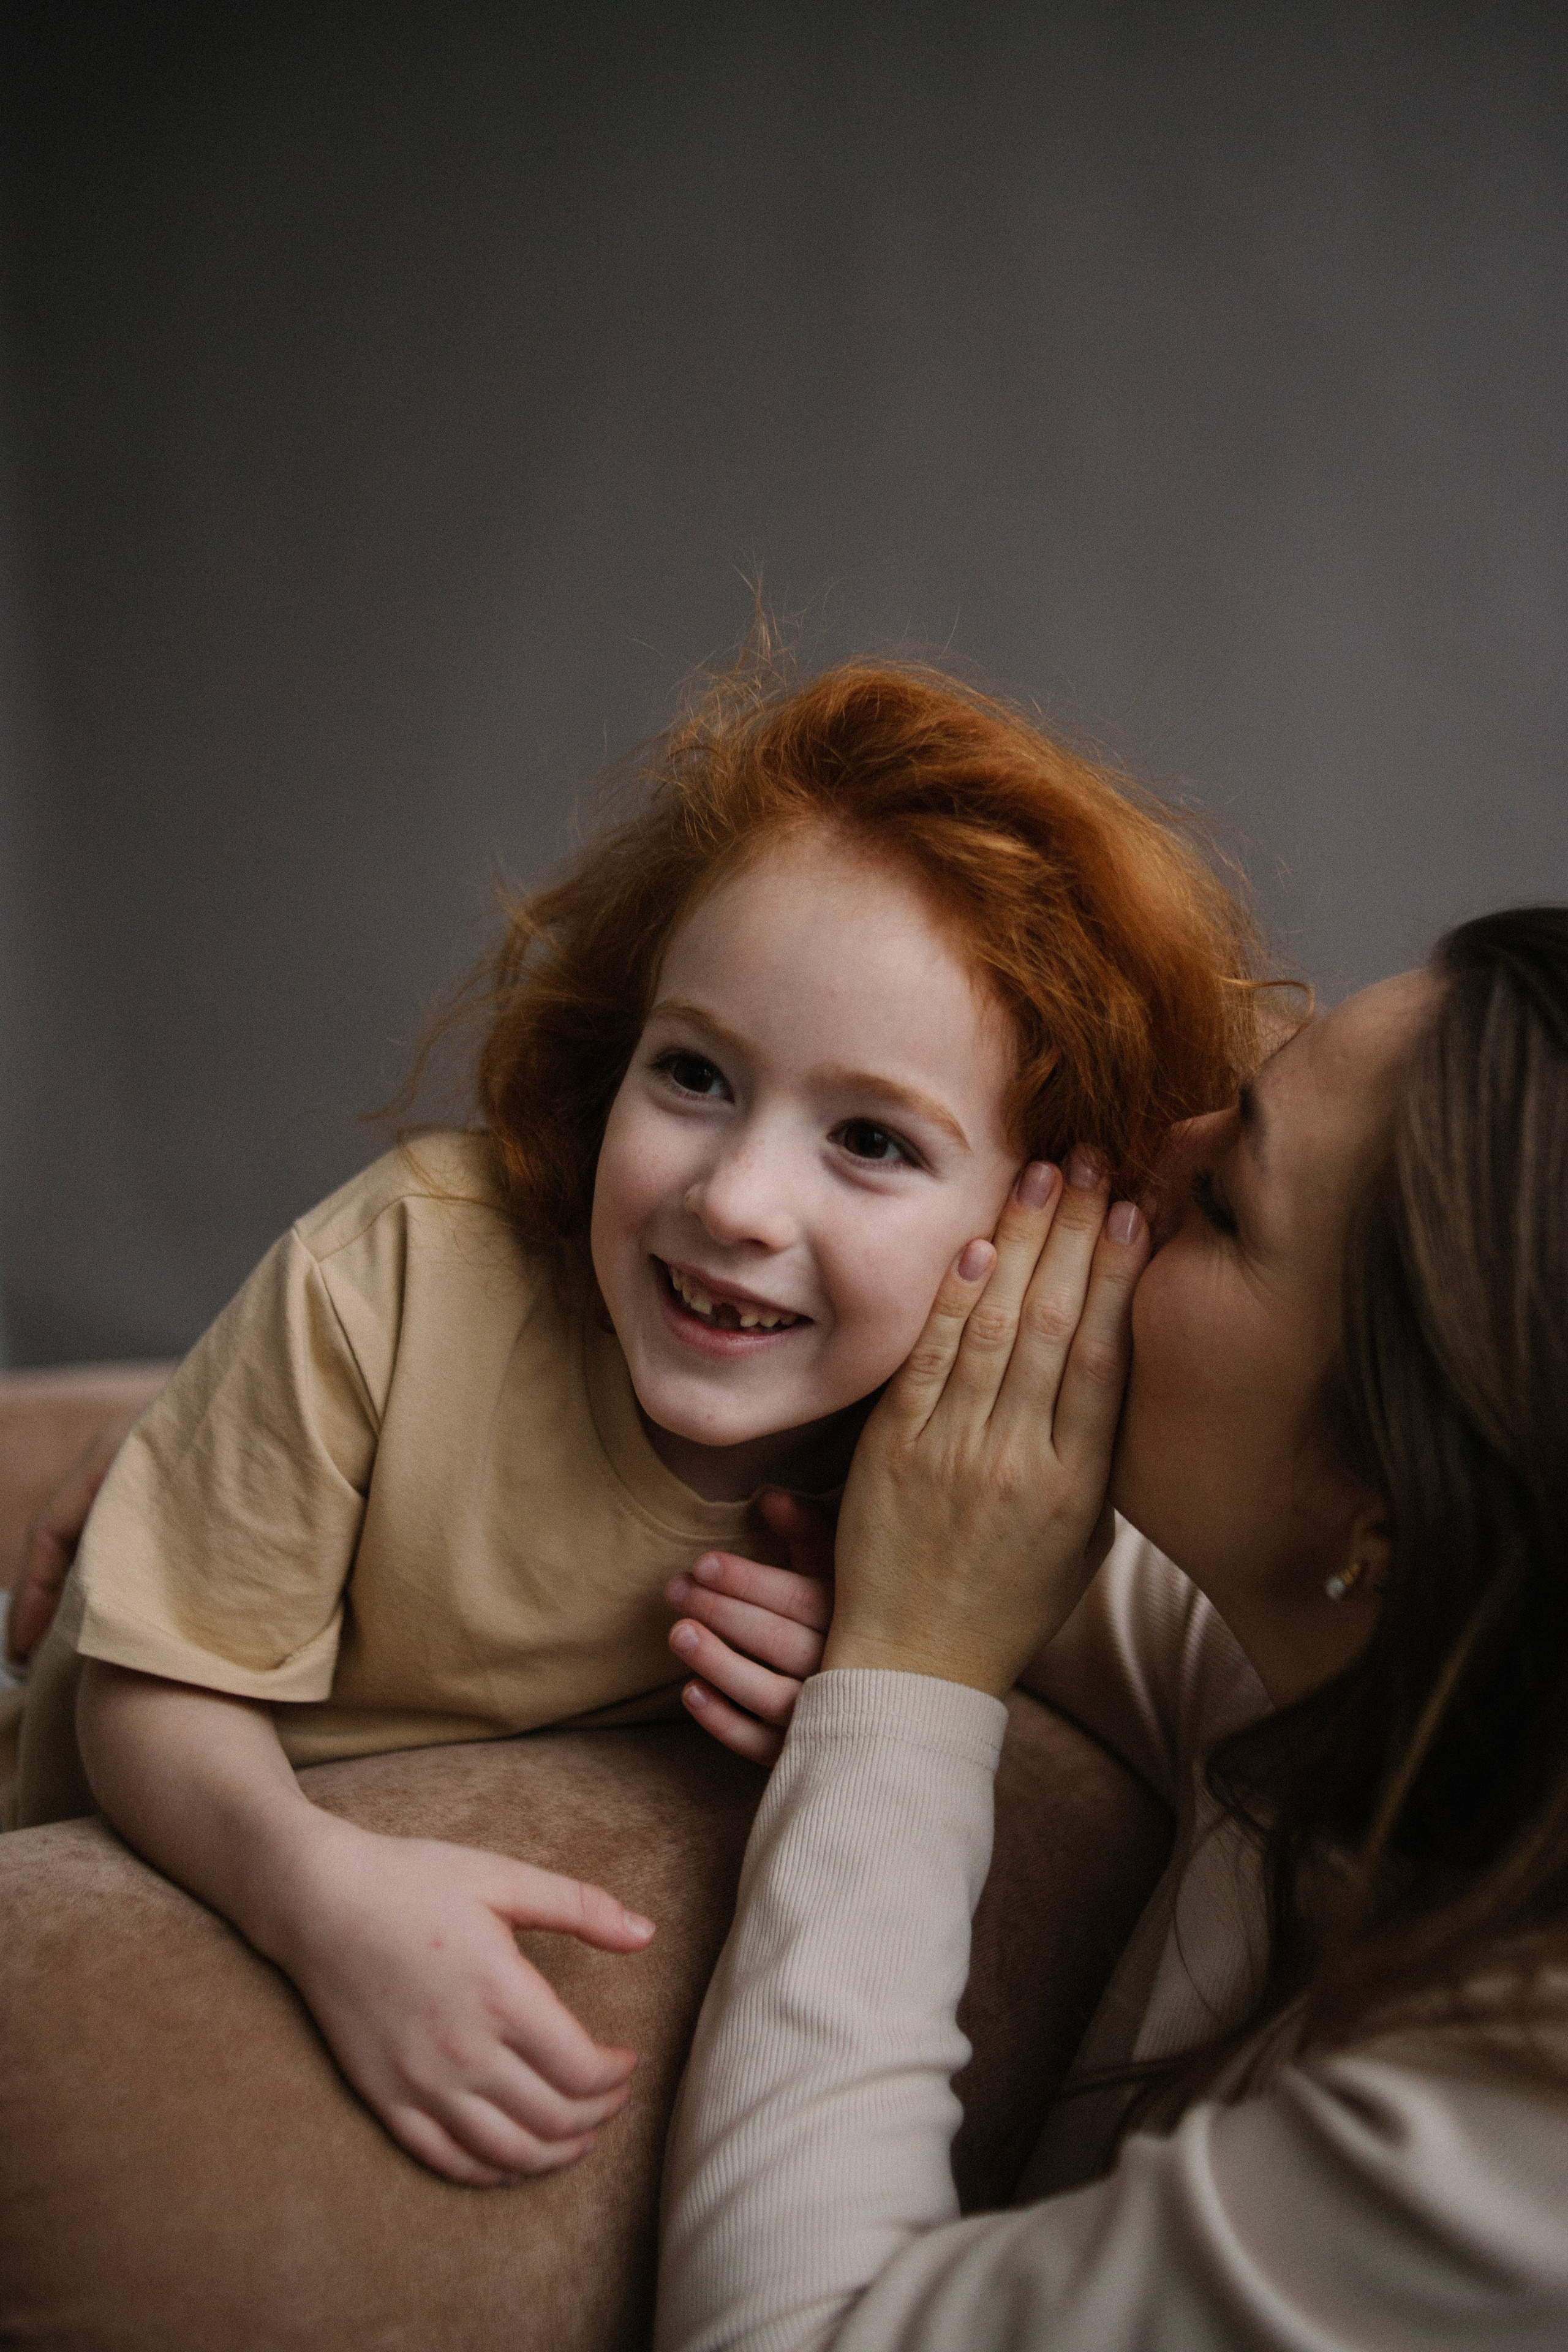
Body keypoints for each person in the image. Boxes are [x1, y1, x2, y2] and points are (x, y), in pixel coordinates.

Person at [0, 657, 1262, 2190]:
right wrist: (320, 1897)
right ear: (617, 1050)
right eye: (693, 1074)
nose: (730, 1199)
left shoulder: (941, 1466)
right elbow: (137, 1696)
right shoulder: (403, 1270)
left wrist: (868, 1653)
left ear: (1041, 1226)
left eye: (868, 1139)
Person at [655, 906, 1568, 2350]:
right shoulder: (1406, 1688)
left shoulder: (1504, 2154)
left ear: (1384, 1513)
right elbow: (1020, 1548)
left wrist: (908, 1672)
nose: (1163, 1144)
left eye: (1224, 1204)